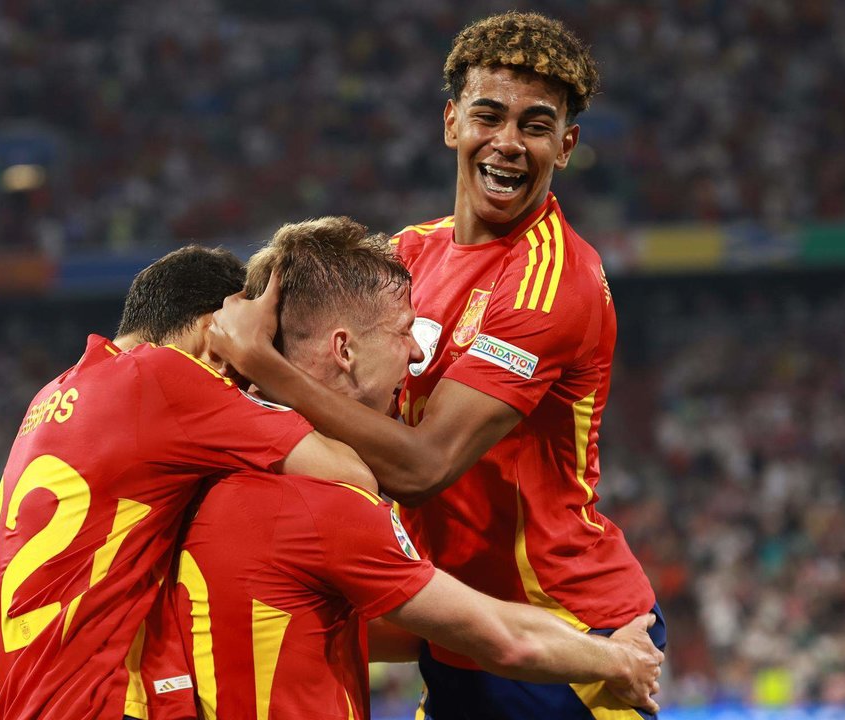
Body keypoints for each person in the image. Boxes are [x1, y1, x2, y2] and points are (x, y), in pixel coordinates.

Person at [206, 12, 664, 719]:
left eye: (536, 126)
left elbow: (423, 467)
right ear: (452, 123)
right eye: (489, 115)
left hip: (566, 641)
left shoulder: (552, 280)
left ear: (566, 146)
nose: (508, 143)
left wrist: (263, 367)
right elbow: (314, 354)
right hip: (466, 636)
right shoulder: (413, 253)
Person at [138, 217, 662, 720]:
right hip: (565, 654)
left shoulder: (211, 464)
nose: (417, 355)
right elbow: (499, 637)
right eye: (405, 331)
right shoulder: (331, 501)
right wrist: (619, 659)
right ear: (343, 348)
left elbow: (362, 621)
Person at [0, 245, 375, 719]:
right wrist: (267, 364)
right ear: (216, 330)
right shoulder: (164, 377)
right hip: (102, 703)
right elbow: (353, 476)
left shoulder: (55, 393)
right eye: (244, 354)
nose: (239, 380)